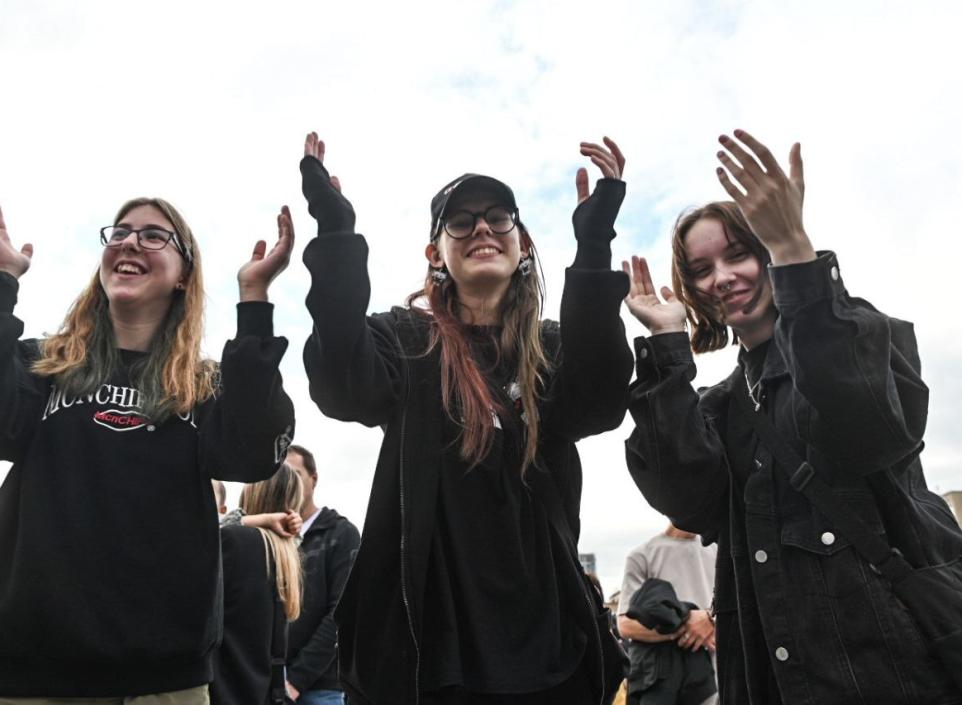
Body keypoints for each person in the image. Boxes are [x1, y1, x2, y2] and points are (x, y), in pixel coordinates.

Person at [622, 130, 962, 704]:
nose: (722, 278)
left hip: (898, 674)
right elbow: (686, 501)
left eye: (738, 254)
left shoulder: (863, 332)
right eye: (702, 269)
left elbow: (870, 430)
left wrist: (795, 252)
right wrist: (668, 349)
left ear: (767, 252)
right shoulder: (717, 405)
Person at [298, 131, 634, 704]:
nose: (482, 229)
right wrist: (336, 235)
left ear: (522, 245)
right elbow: (341, 387)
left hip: (550, 654)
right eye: (460, 222)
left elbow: (599, 401)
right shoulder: (406, 340)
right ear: (436, 255)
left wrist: (594, 244)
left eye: (498, 218)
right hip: (431, 654)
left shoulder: (550, 350)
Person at [0, 189, 296, 703]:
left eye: (153, 236)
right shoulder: (42, 367)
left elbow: (254, 454)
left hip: (155, 681)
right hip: (8, 672)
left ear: (184, 274)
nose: (130, 242)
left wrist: (254, 302)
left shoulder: (204, 388)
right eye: (120, 233)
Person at [270, 444, 361, 705]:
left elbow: (341, 614)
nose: (287, 482)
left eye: (294, 474)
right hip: (269, 684)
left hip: (319, 688)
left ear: (314, 479)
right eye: (280, 475)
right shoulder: (269, 535)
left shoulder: (341, 534)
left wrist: (295, 681)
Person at [212, 464, 305, 705]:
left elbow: (198, 541)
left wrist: (243, 521)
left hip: (225, 689)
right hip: (263, 693)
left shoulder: (235, 541)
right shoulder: (287, 555)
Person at [616, 524, 717, 705]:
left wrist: (711, 619)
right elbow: (625, 625)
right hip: (661, 681)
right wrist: (686, 625)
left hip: (717, 680)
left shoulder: (721, 554)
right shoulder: (643, 555)